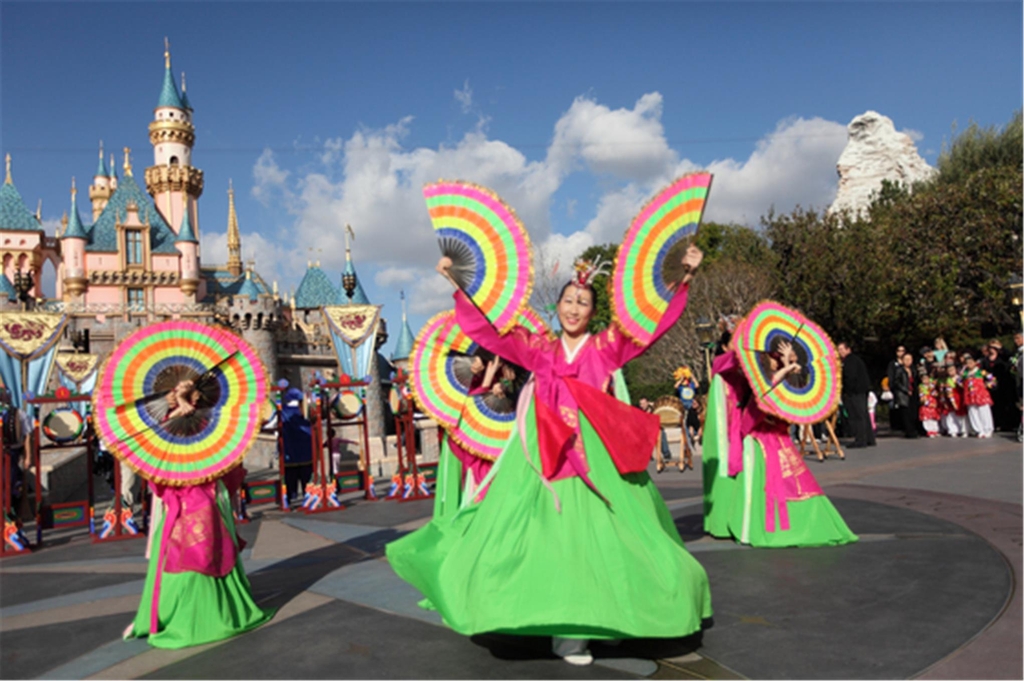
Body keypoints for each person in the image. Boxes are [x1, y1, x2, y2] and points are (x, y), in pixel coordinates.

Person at [387, 246, 712, 666]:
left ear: (593, 313)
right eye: (568, 301)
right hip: (545, 455)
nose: (574, 309)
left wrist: (683, 277)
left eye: (583, 303)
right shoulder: (538, 348)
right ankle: (568, 632)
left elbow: (647, 323)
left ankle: (609, 616)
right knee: (555, 540)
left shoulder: (607, 347)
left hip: (596, 454)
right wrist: (457, 284)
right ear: (557, 307)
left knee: (614, 538)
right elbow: (492, 331)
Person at [123, 379, 272, 648]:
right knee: (201, 551)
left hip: (194, 500)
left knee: (188, 554)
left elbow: (156, 472)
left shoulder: (179, 426)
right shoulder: (206, 424)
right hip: (203, 498)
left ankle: (176, 616)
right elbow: (230, 466)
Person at [714, 337, 857, 548]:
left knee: (797, 484)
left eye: (778, 357)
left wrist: (789, 363)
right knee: (758, 487)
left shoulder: (789, 378)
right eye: (773, 357)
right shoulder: (758, 379)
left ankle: (800, 525)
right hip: (759, 441)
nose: (776, 361)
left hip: (777, 440)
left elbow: (783, 393)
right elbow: (765, 391)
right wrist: (787, 365)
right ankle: (750, 529)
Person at [702, 326, 747, 538]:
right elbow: (731, 360)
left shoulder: (741, 374)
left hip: (738, 426)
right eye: (733, 343)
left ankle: (735, 517)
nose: (737, 348)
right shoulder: (721, 364)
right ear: (724, 346)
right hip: (722, 427)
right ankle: (720, 522)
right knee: (722, 467)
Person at [837, 342, 874, 448]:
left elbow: (850, 377)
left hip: (855, 392)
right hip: (861, 391)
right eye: (839, 350)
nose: (840, 352)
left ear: (848, 349)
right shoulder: (855, 360)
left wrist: (847, 391)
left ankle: (860, 440)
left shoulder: (849, 361)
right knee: (863, 415)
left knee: (857, 416)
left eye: (842, 349)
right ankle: (869, 438)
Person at [279, 388, 313, 504]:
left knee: (289, 478)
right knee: (306, 477)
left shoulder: (282, 411)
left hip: (289, 450)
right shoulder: (306, 410)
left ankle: (288, 498)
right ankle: (309, 496)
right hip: (306, 450)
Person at [961, 354, 996, 438]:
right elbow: (959, 382)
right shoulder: (965, 374)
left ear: (975, 363)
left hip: (981, 395)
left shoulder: (980, 372)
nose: (969, 364)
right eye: (967, 363)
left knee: (984, 412)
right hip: (970, 396)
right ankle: (979, 430)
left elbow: (992, 379)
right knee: (973, 412)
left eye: (971, 362)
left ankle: (988, 429)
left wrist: (987, 385)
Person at [891, 352, 919, 438]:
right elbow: (897, 382)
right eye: (906, 359)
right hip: (904, 394)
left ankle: (914, 430)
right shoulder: (899, 370)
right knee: (906, 413)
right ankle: (909, 431)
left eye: (910, 359)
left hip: (913, 393)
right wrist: (906, 390)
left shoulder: (914, 370)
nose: (908, 361)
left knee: (914, 412)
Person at [937, 363, 967, 438]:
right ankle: (953, 430)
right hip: (950, 398)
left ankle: (964, 430)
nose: (951, 372)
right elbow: (944, 391)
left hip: (959, 397)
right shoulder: (947, 380)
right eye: (949, 370)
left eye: (952, 370)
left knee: (961, 414)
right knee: (951, 415)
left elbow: (963, 387)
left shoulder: (959, 378)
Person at [886, 345, 907, 430]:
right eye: (899, 351)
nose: (900, 352)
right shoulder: (892, 363)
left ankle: (904, 424)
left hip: (905, 387)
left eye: (902, 351)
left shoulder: (907, 362)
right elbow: (890, 375)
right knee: (894, 406)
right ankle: (895, 425)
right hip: (895, 387)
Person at [918, 372, 941, 438]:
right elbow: (921, 397)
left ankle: (935, 430)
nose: (926, 381)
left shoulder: (931, 386)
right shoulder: (921, 388)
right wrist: (927, 403)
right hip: (926, 404)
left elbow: (936, 394)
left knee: (934, 417)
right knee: (927, 418)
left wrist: (933, 390)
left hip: (933, 402)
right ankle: (929, 431)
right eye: (924, 379)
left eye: (927, 379)